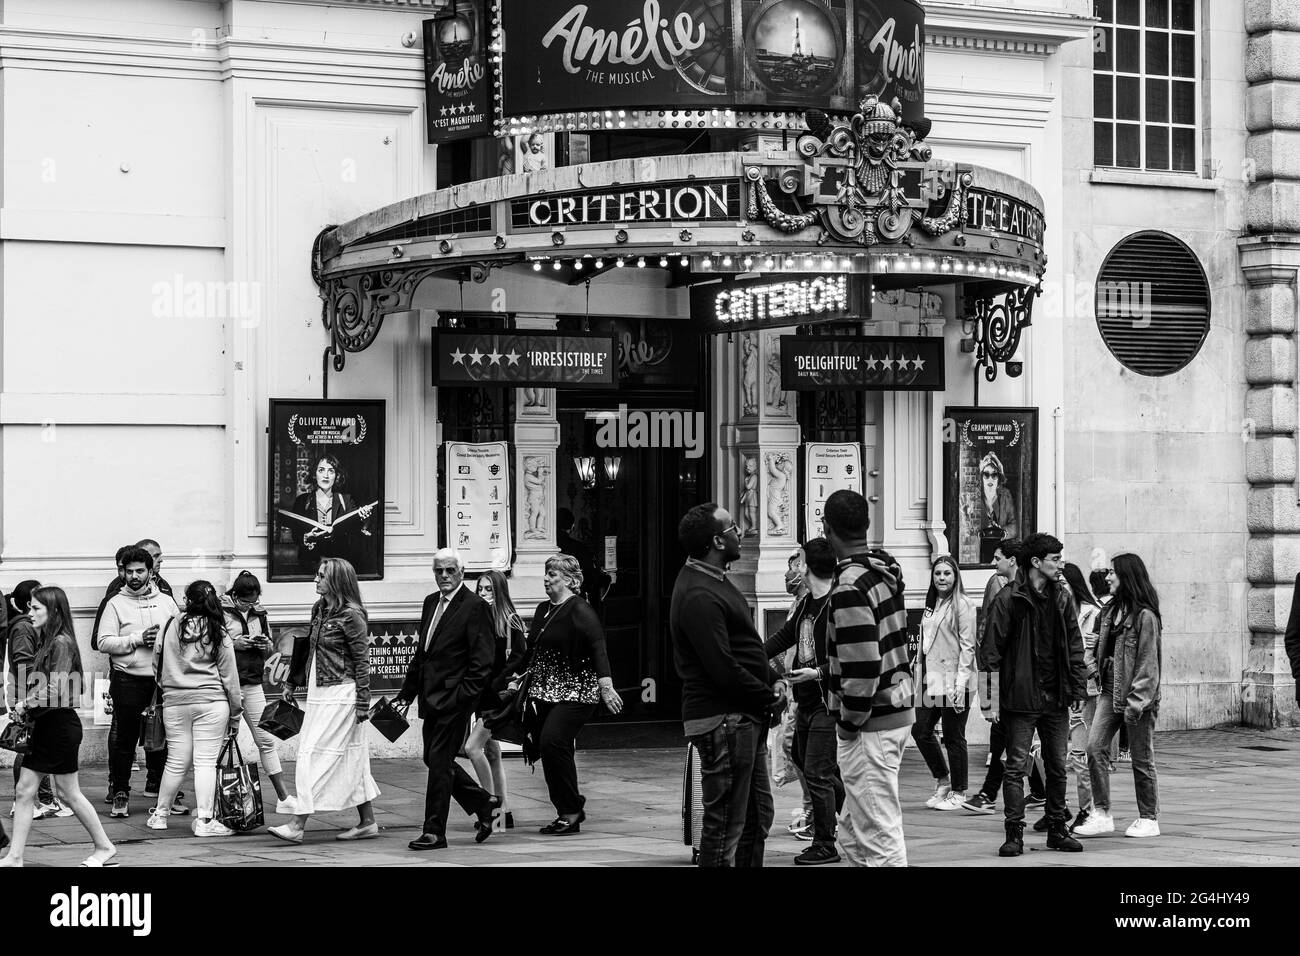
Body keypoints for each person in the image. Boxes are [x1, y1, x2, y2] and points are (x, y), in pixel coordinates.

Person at [670, 504, 780, 866]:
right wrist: (767, 696)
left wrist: (772, 680)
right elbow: (723, 667)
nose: (741, 531)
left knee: (756, 816)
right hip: (724, 721)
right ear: (717, 540)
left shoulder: (714, 579)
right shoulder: (698, 593)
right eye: (734, 527)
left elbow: (743, 647)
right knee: (724, 828)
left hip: (743, 716)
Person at [980, 532, 1089, 857]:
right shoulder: (1009, 599)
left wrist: (1078, 686)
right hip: (1021, 699)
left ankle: (1057, 828)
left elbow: (1074, 644)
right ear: (1036, 563)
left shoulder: (1062, 598)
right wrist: (989, 700)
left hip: (1055, 698)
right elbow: (990, 652)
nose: (1061, 564)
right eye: (1055, 559)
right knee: (1015, 768)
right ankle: (1014, 833)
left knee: (1057, 766)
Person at [498, 554, 623, 834]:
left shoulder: (580, 610)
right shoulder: (543, 609)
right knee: (549, 745)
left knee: (554, 740)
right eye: (546, 573)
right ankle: (566, 811)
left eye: (552, 574)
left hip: (577, 693)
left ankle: (572, 809)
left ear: (569, 580)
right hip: (546, 691)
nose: (546, 578)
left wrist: (606, 686)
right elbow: (531, 651)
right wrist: (505, 678)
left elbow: (598, 647)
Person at [821, 490, 913, 867]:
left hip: (870, 721)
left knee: (878, 836)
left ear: (826, 529)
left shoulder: (850, 587)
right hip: (894, 709)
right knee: (854, 834)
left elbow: (862, 666)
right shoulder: (881, 573)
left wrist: (848, 721)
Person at [0, 587, 117, 867]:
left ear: (52, 611)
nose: (29, 614)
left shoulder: (61, 642)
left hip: (59, 726)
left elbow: (56, 686)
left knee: (69, 793)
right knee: (25, 790)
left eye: (36, 608)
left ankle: (104, 846)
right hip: (47, 724)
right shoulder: (49, 641)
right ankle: (15, 856)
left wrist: (25, 704)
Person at [270, 558, 380, 844]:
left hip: (342, 694)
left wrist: (363, 703)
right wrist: (293, 682)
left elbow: (362, 660)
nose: (315, 580)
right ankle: (368, 821)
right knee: (351, 757)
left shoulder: (352, 615)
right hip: (319, 692)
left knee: (312, 755)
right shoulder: (319, 608)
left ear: (337, 581)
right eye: (317, 574)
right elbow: (309, 649)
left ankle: (298, 823)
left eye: (321, 576)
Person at [393, 550, 498, 850]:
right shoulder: (430, 602)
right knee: (432, 758)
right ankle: (485, 803)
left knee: (439, 762)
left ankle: (434, 831)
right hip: (430, 698)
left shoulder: (475, 606)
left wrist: (464, 698)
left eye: (450, 570)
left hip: (455, 700)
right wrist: (406, 694)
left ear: (462, 572)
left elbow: (482, 663)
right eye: (439, 571)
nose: (444, 576)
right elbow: (422, 655)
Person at [762, 538, 843, 865]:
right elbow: (785, 637)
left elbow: (850, 657)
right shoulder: (809, 602)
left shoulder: (838, 603)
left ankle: (825, 843)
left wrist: (818, 674)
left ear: (809, 566)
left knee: (818, 772)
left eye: (799, 561)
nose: (794, 566)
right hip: (806, 700)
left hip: (827, 702)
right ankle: (851, 812)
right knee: (805, 760)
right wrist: (751, 655)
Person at [1075, 553, 1163, 839]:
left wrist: (1136, 704)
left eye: (1113, 572)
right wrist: (1091, 667)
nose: (1108, 577)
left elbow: (1148, 665)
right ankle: (1101, 813)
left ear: (1128, 576)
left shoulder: (1145, 617)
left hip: (1138, 695)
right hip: (1109, 689)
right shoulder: (1110, 611)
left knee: (1141, 758)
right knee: (1094, 747)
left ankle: (1149, 818)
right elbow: (1096, 647)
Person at [147, 581, 243, 836]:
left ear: (187, 599)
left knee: (176, 761)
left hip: (175, 701)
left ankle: (160, 814)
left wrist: (170, 685)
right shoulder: (218, 631)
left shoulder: (170, 625)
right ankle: (204, 820)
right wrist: (236, 713)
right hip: (212, 702)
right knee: (204, 764)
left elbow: (156, 661)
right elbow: (229, 677)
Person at [963, 540, 1048, 814]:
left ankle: (996, 796)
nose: (993, 562)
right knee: (1009, 741)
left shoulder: (1010, 595)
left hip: (1016, 687)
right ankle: (1037, 791)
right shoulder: (1004, 589)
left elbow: (990, 647)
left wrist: (989, 700)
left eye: (998, 557)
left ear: (1012, 560)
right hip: (1018, 685)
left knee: (1008, 741)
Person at [96, 545, 181, 819]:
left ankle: (165, 793)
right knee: (125, 740)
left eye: (139, 571)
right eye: (129, 571)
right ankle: (120, 792)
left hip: (161, 681)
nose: (134, 576)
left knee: (163, 738)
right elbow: (103, 642)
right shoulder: (115, 603)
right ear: (123, 572)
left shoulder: (166, 601)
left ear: (150, 572)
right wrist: (137, 639)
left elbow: (179, 633)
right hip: (127, 680)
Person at [221, 572, 295, 811]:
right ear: (234, 595)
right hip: (225, 684)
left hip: (253, 682)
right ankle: (219, 801)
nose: (250, 606)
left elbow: (269, 649)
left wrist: (265, 645)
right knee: (223, 743)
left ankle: (283, 797)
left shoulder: (260, 613)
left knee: (266, 739)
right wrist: (235, 644)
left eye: (253, 602)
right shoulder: (219, 610)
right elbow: (211, 644)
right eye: (245, 602)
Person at [912, 555, 977, 812]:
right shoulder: (931, 604)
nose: (941, 578)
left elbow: (968, 647)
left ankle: (959, 791)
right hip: (931, 678)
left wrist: (960, 684)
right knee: (920, 730)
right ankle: (943, 781)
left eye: (947, 574)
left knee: (953, 736)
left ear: (955, 576)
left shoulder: (963, 604)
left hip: (955, 678)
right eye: (938, 573)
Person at [467, 570, 526, 829]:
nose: (483, 594)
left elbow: (519, 657)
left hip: (498, 697)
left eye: (489, 589)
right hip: (483, 696)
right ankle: (504, 810)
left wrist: (496, 683)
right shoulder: (481, 619)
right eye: (480, 589)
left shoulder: (510, 621)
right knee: (492, 752)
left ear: (499, 590)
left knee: (472, 748)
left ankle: (489, 807)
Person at [6, 581, 67, 819]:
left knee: (36, 748)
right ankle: (25, 801)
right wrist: (29, 698)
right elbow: (23, 663)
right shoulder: (24, 628)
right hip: (29, 692)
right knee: (28, 747)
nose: (34, 611)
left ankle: (41, 799)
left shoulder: (46, 633)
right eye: (33, 604)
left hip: (35, 694)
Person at [1053, 561, 1103, 834]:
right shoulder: (1057, 610)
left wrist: (1088, 675)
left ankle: (1089, 810)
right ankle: (1059, 805)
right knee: (1048, 754)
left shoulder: (1092, 613)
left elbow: (1090, 655)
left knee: (1081, 755)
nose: (1059, 588)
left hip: (1085, 692)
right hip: (1062, 690)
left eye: (1063, 584)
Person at [774, 547, 815, 840]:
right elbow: (783, 643)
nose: (791, 574)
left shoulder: (811, 605)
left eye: (796, 567)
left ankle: (815, 811)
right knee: (794, 748)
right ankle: (811, 807)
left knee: (801, 751)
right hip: (793, 687)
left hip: (805, 689)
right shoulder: (798, 605)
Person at [289, 455, 376, 573]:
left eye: (331, 471)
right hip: (311, 565)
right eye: (321, 470)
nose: (326, 475)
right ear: (314, 474)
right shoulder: (302, 501)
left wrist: (364, 520)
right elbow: (295, 536)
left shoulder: (346, 500)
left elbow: (357, 534)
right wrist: (306, 538)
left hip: (339, 566)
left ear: (337, 476)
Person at [556, 508, 611, 613]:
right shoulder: (578, 547)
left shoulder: (550, 546)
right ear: (572, 526)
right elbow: (589, 575)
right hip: (572, 601)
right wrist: (606, 578)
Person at [964, 452, 1018, 552]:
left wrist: (1002, 532)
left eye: (994, 475)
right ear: (981, 477)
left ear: (999, 477)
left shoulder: (1006, 496)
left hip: (1001, 550)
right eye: (986, 474)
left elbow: (1014, 526)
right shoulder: (972, 497)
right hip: (977, 550)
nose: (990, 479)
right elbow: (966, 527)